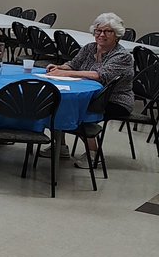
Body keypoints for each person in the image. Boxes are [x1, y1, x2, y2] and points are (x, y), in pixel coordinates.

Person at [46, 12, 135, 168]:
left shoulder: (123, 56)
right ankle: (60, 146)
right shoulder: (89, 48)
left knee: (74, 109)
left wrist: (66, 73)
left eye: (107, 31)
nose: (101, 35)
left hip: (114, 100)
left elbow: (100, 75)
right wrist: (59, 67)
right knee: (58, 103)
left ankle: (93, 153)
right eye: (98, 30)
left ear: (117, 35)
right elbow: (74, 64)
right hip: (89, 96)